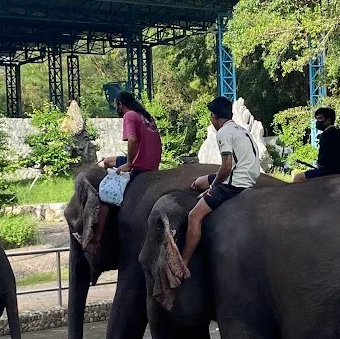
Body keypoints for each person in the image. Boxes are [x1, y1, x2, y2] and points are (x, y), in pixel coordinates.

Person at [180, 95, 260, 271]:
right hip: (246, 175)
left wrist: (213, 187)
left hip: (235, 183)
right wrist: (207, 181)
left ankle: (184, 262)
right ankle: (203, 184)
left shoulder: (223, 132)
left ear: (214, 117)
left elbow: (226, 167)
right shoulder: (241, 130)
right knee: (198, 182)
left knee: (194, 215)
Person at [88, 92, 163, 248]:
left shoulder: (129, 116)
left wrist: (129, 163)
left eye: (117, 105)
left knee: (105, 195)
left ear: (121, 104)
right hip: (151, 163)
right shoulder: (146, 117)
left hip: (139, 164)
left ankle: (96, 238)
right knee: (107, 161)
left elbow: (133, 139)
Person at [296, 106, 340, 180]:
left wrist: (320, 164)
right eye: (317, 119)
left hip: (330, 171)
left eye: (320, 118)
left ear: (328, 120)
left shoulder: (326, 135)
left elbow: (323, 159)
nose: (317, 121)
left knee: (298, 177)